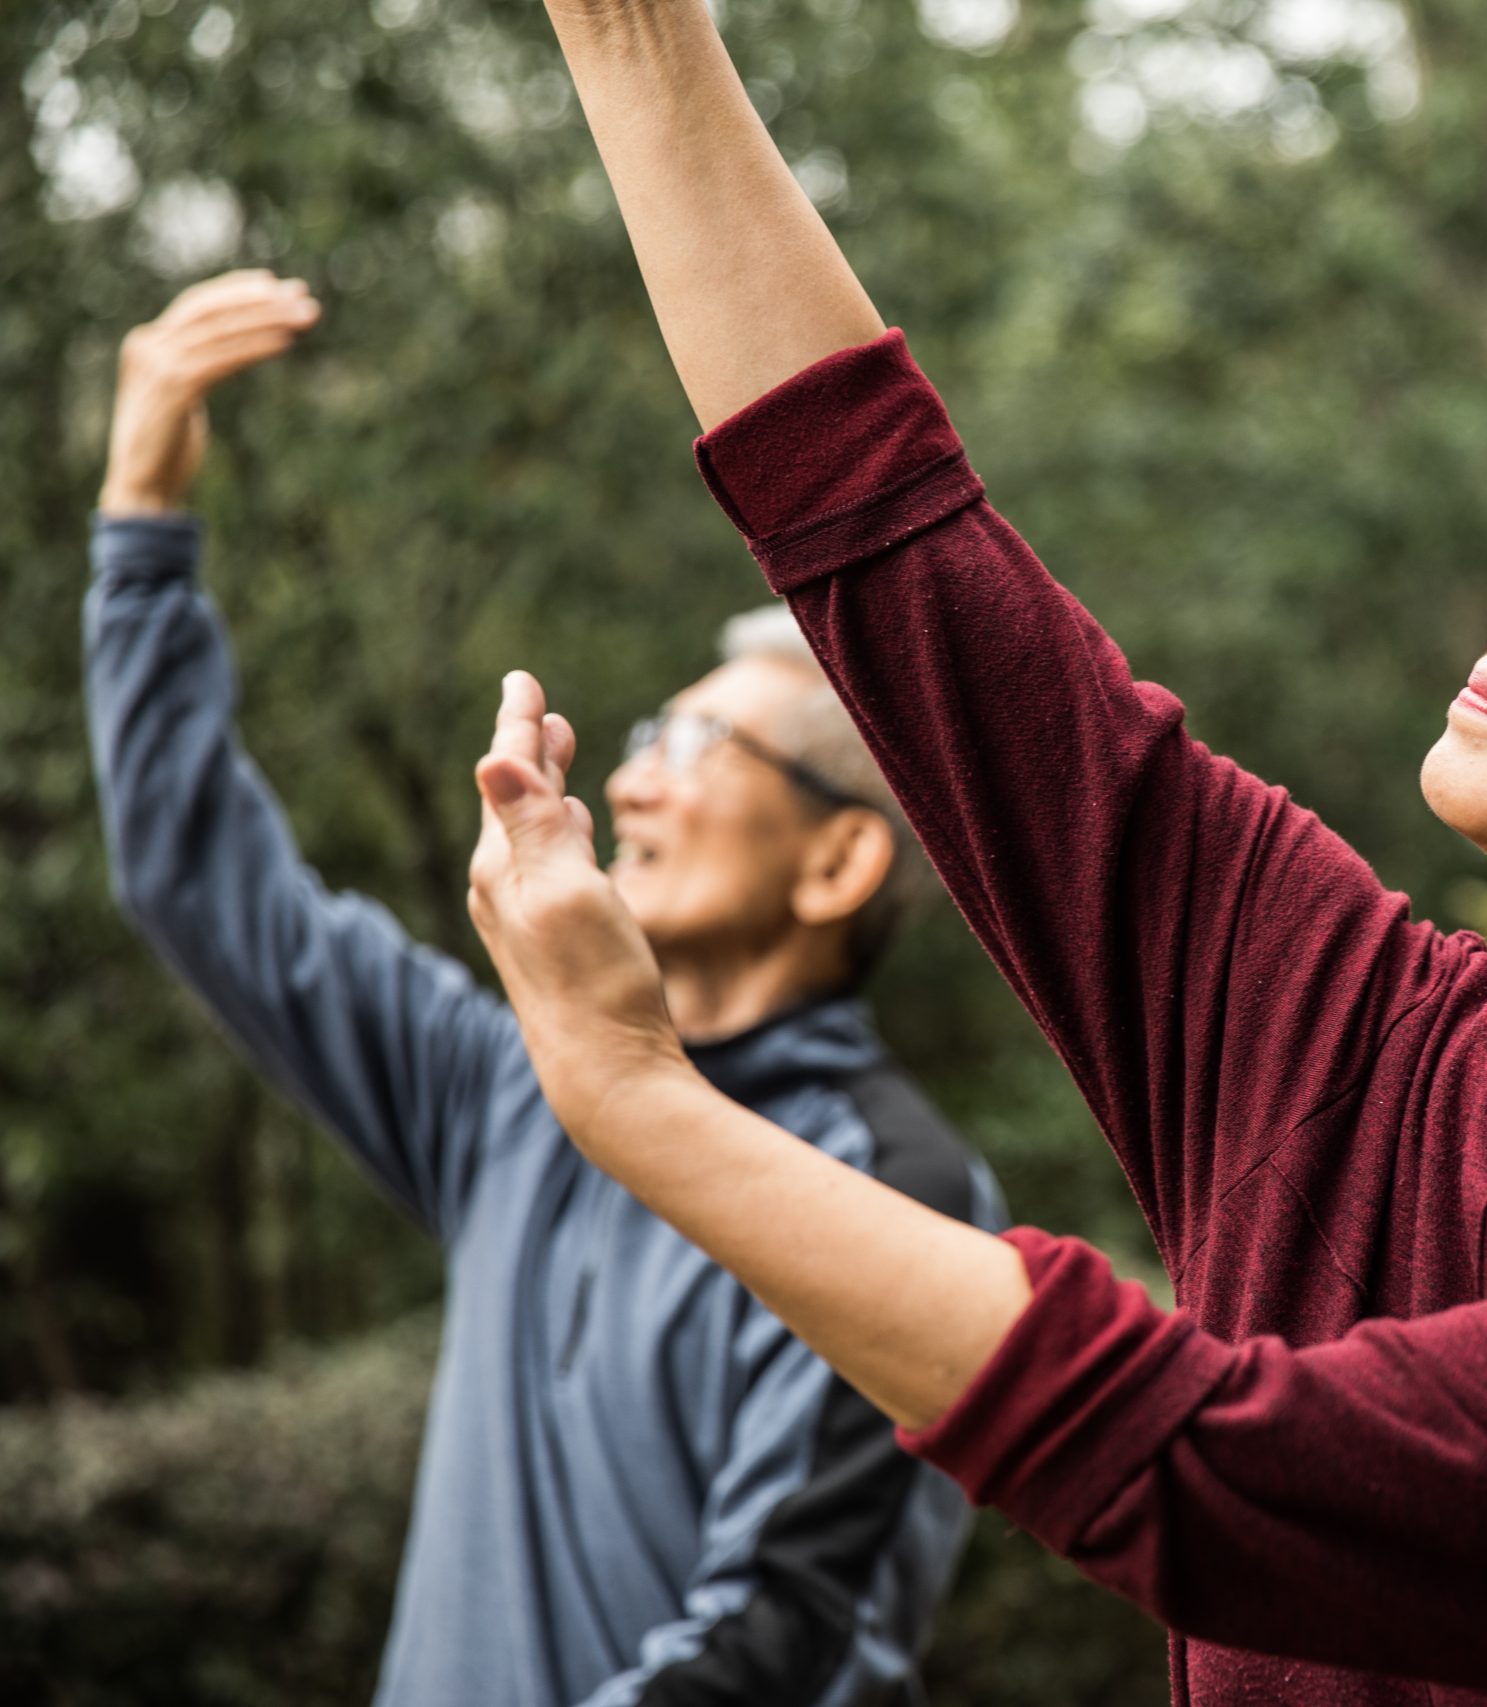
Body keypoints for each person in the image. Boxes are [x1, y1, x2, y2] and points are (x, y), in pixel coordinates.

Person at [458, 6, 1487, 1702]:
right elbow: (885, 533)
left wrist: (635, 1094)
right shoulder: (1349, 1042)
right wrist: (636, 38)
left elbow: (1209, 1470)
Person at [83, 271, 1003, 1707]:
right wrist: (142, 532)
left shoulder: (897, 1197)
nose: (631, 778)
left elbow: (778, 1641)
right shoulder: (513, 1090)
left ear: (837, 864)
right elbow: (202, 886)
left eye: (698, 751)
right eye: (645, 735)